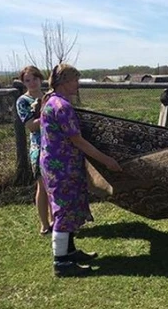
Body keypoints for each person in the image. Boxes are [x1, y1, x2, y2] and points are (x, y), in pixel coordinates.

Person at [40, 64, 122, 277]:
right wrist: (107, 161)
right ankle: (61, 263)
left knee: (69, 206)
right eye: (75, 80)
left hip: (57, 162)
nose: (77, 84)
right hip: (62, 165)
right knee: (64, 210)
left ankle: (70, 251)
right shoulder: (62, 107)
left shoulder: (51, 101)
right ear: (65, 81)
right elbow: (78, 141)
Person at [16, 65, 52, 235]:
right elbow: (31, 126)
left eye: (34, 79)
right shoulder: (23, 101)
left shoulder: (49, 96)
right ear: (23, 83)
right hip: (39, 146)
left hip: (55, 145)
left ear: (40, 79)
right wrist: (47, 114)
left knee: (55, 185)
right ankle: (44, 223)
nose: (32, 83)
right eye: (27, 80)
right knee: (42, 185)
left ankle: (55, 220)